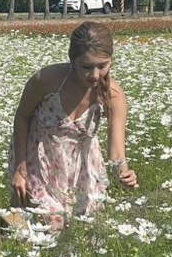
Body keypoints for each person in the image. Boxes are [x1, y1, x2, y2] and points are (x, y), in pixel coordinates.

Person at [8, 21, 138, 230]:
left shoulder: (114, 95)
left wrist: (124, 172)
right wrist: (20, 169)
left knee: (88, 226)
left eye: (102, 65)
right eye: (86, 67)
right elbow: (22, 117)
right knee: (51, 223)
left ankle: (15, 225)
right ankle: (12, 225)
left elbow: (116, 151)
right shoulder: (46, 80)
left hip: (83, 165)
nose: (95, 75)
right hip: (38, 158)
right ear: (72, 60)